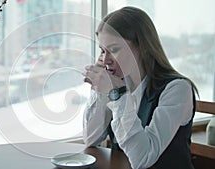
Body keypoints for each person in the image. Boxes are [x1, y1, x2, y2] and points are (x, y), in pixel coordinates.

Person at [82, 6, 198, 169]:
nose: (105, 59)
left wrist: (117, 95)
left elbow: (143, 159)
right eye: (102, 50)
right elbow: (91, 138)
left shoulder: (177, 89)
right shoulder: (121, 83)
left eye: (114, 50)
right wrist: (99, 91)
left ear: (142, 47)